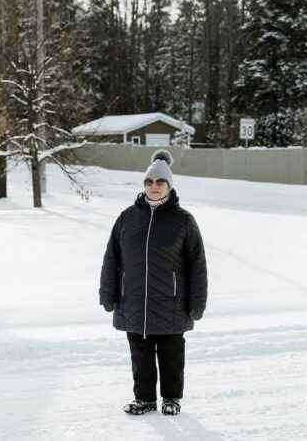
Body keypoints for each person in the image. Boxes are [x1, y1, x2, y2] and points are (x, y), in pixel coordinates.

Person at [99, 149, 208, 416]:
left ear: (169, 186)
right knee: (140, 355)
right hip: (134, 301)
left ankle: (171, 398)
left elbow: (197, 265)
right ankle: (144, 399)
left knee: (171, 355)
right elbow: (112, 258)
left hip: (172, 304)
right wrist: (108, 293)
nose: (154, 187)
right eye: (149, 182)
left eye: (160, 182)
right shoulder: (128, 218)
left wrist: (197, 303)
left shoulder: (183, 220)